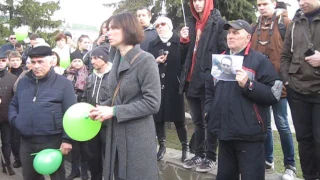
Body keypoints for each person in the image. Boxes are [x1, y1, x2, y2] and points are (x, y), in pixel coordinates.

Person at [88, 12, 161, 180]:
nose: (108, 32)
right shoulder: (117, 58)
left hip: (137, 136)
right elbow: (117, 96)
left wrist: (113, 111)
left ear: (128, 30)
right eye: (108, 28)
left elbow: (152, 103)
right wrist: (100, 108)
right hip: (116, 134)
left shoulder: (146, 60)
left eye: (114, 28)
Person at [206, 19, 282, 180]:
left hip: (249, 136)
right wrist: (209, 111)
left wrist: (249, 85)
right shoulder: (220, 60)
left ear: (247, 38)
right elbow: (209, 90)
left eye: (235, 33)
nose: (230, 36)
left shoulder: (259, 61)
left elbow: (275, 93)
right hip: (225, 134)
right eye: (229, 33)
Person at [8, 44, 76, 180]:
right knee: (30, 177)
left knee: (57, 177)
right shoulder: (23, 83)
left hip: (53, 141)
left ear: (51, 61)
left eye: (40, 62)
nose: (36, 66)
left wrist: (67, 139)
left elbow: (70, 113)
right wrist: (17, 121)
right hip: (27, 141)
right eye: (33, 62)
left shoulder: (64, 84)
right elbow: (13, 105)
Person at [179, 0, 227, 172]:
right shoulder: (191, 24)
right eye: (194, 1)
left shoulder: (219, 23)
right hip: (190, 81)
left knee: (210, 122)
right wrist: (183, 41)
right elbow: (184, 56)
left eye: (201, 0)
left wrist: (216, 80)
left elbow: (224, 52)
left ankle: (210, 157)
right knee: (198, 122)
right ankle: (199, 153)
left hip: (208, 81)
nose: (197, 4)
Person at [251, 0, 296, 178]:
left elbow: (294, 52)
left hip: (280, 84)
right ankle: (268, 159)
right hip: (261, 85)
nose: (261, 7)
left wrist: (288, 78)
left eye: (265, 3)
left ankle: (290, 165)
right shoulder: (255, 27)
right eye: (259, 4)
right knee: (265, 124)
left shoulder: (284, 23)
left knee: (283, 124)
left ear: (274, 3)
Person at [280, 0, 320, 179]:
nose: (301, 2)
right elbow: (285, 55)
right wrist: (287, 81)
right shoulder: (295, 23)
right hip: (297, 92)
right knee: (304, 141)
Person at [147, 16, 189, 162]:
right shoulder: (153, 44)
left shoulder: (180, 42)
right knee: (158, 117)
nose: (159, 27)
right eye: (157, 25)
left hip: (174, 85)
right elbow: (146, 63)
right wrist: (155, 61)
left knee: (178, 118)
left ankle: (185, 147)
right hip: (157, 85)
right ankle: (162, 146)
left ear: (170, 26)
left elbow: (186, 61)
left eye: (163, 24)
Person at [81, 46, 112, 180]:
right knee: (93, 157)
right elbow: (84, 96)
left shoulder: (114, 77)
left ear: (104, 59)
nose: (92, 61)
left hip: (108, 124)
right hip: (92, 124)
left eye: (95, 58)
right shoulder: (90, 78)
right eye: (91, 58)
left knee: (109, 156)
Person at [64, 51, 89, 180]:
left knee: (84, 146)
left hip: (83, 111)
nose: (77, 63)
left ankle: (84, 171)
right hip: (70, 113)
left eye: (79, 60)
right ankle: (74, 170)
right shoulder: (66, 74)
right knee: (74, 145)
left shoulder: (88, 74)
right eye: (75, 61)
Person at [0, 52, 16, 176]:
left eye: (3, 60)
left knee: (6, 142)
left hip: (6, 117)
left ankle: (7, 165)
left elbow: (16, 99)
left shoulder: (12, 78)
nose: (0, 62)